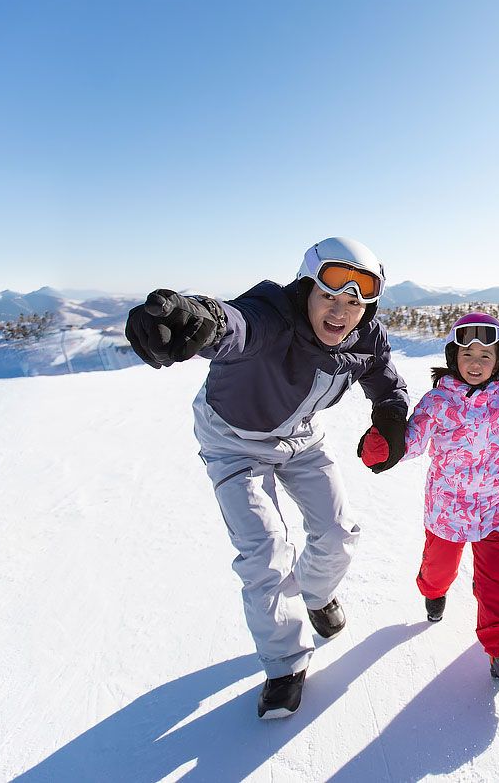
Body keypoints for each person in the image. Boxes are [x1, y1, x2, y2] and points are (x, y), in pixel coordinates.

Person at [124, 237, 409, 719]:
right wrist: (195, 318)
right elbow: (235, 323)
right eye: (329, 297)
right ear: (305, 290)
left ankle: (317, 596)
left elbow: (385, 378)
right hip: (234, 441)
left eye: (354, 303)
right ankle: (285, 664)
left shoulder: (364, 335)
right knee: (266, 553)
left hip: (302, 437)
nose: (341, 313)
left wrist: (390, 418)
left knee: (339, 532)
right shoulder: (272, 316)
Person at [360, 312, 499, 687]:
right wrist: (386, 449)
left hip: (493, 509)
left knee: (498, 578)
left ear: (498, 363)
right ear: (452, 357)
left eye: (485, 356)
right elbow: (413, 441)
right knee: (438, 569)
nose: (475, 364)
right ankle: (433, 592)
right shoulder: (438, 402)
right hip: (446, 511)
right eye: (467, 355)